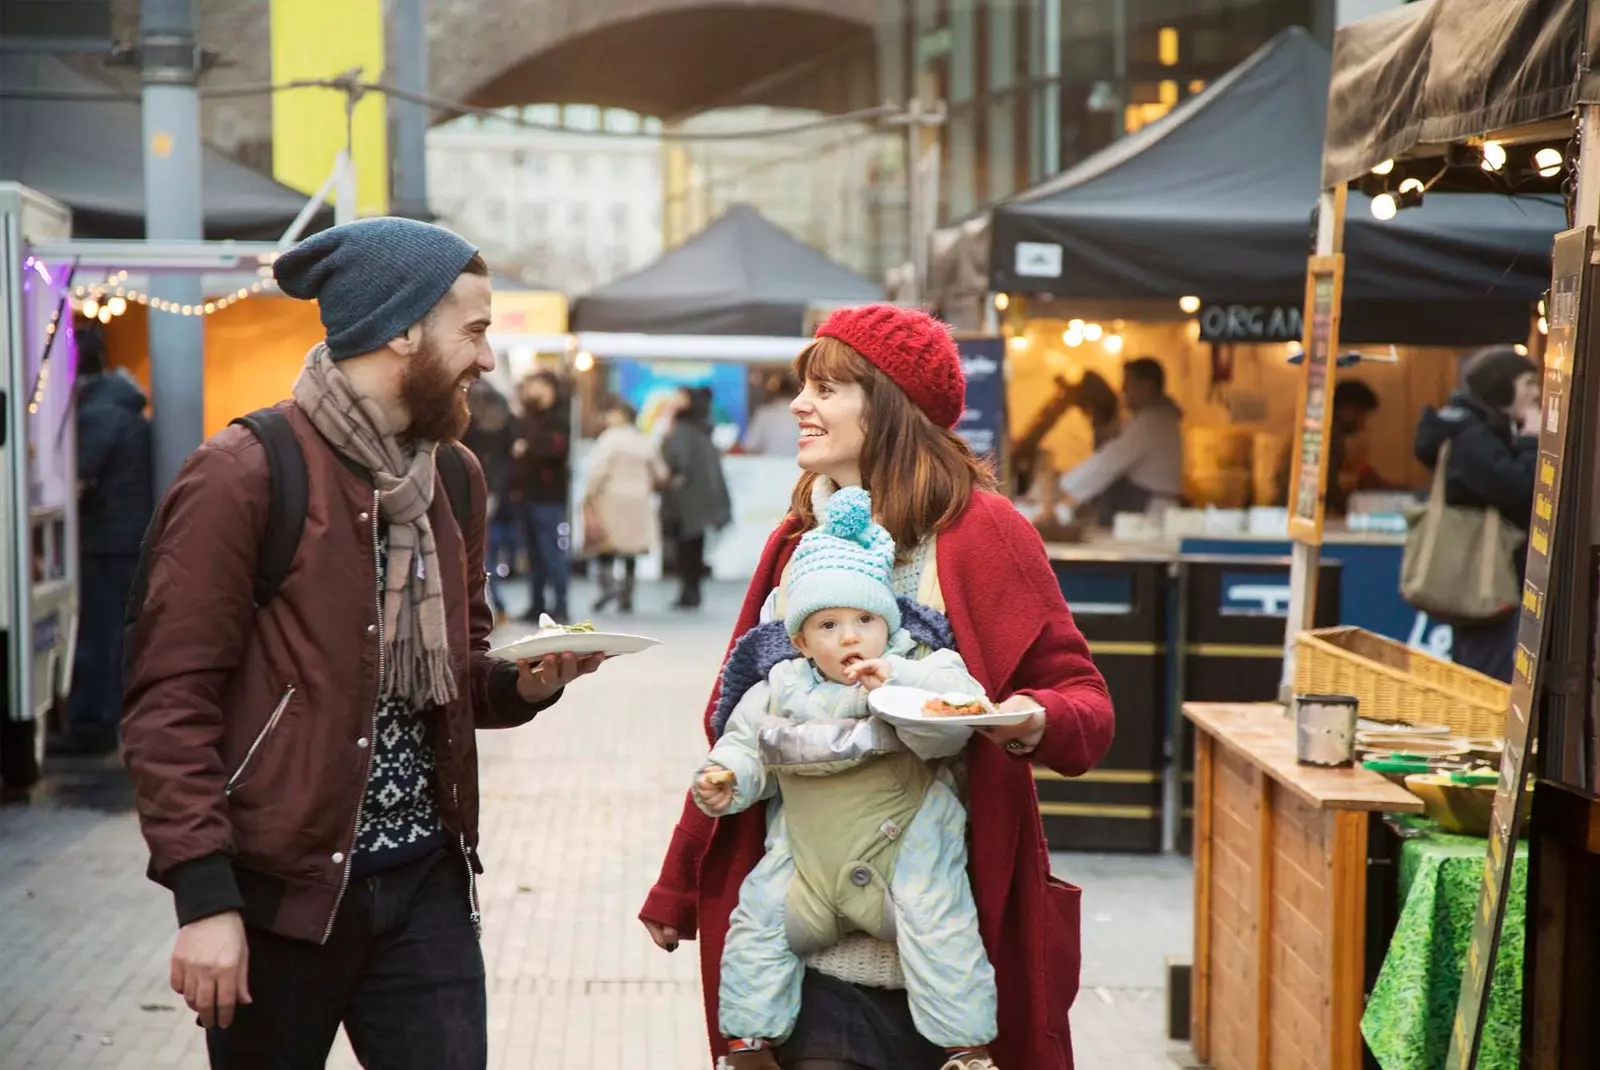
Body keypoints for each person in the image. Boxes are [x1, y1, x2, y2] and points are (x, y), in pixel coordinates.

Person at [120, 218, 605, 1069]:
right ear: (402, 327)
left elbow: (460, 676)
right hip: (280, 900)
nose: (488, 360)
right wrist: (204, 900)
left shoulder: (453, 475)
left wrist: (528, 683)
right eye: (477, 330)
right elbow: (169, 701)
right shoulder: (244, 471)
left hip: (427, 888)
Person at [639, 304, 1115, 1070]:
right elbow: (744, 725)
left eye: (826, 389)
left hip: (950, 966)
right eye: (804, 388)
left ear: (888, 405)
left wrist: (1025, 715)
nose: (800, 405)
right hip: (804, 963)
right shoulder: (795, 543)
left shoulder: (983, 533)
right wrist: (679, 883)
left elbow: (1085, 705)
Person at [695, 486, 1000, 1070]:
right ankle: (748, 1043)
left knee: (941, 921)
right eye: (829, 624)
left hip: (902, 858)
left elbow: (959, 717)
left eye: (866, 619)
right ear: (800, 640)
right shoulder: (781, 688)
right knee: (758, 918)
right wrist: (725, 778)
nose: (851, 637)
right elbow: (745, 741)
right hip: (809, 864)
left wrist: (897, 684)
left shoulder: (925, 665)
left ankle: (966, 1047)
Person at [1413, 345, 1541, 681]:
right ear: (1503, 386)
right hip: (1485, 581)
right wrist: (1531, 441)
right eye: (1527, 383)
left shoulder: (1475, 428)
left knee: (1477, 665)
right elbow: (1516, 487)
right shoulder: (1471, 433)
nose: (1536, 392)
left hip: (1480, 579)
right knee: (1488, 673)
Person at [63, 323, 153, 755]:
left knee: (98, 635)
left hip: (105, 540)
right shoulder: (121, 405)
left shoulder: (97, 413)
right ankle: (101, 719)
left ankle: (92, 725)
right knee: (113, 633)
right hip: (124, 538)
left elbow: (79, 481)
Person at [1057, 357, 1184, 527]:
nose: (1123, 390)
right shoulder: (1154, 420)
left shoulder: (1150, 423)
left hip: (1151, 516)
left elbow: (1108, 462)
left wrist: (1063, 488)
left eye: (1128, 384)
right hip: (1150, 512)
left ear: (1146, 387)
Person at [582, 397, 665, 613]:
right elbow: (660, 472)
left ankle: (608, 588)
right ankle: (627, 596)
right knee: (632, 551)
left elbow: (597, 471)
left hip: (611, 498)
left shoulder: (609, 439)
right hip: (639, 499)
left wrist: (589, 495)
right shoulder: (643, 439)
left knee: (606, 546)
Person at [661, 385, 732, 610]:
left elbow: (676, 457)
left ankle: (687, 592)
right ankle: (693, 591)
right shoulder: (703, 427)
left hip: (685, 497)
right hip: (701, 497)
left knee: (685, 546)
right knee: (695, 546)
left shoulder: (682, 428)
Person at [512, 370, 571, 622]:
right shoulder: (527, 418)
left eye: (535, 385)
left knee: (552, 552)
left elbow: (556, 451)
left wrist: (527, 449)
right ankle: (537, 603)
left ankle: (561, 604)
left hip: (548, 498)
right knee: (533, 554)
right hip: (527, 495)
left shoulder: (558, 419)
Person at [461, 380, 518, 622]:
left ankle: (486, 608)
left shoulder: (468, 406)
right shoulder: (500, 406)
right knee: (482, 550)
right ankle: (493, 607)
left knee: (477, 551)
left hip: (473, 486)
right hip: (490, 487)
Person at [1324, 379, 1395, 516]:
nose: (1364, 422)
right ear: (1348, 410)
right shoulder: (1329, 438)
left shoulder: (1333, 436)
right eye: (1364, 414)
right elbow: (1328, 489)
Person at [743, 371, 801, 455]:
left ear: (775, 393)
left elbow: (750, 445)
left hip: (769, 465)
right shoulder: (803, 413)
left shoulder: (764, 413)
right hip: (799, 466)